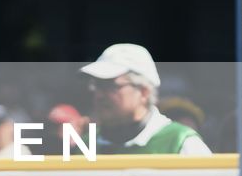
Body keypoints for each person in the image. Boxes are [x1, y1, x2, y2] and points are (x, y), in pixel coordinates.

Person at [80, 43, 210, 156]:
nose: (99, 95)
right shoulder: (85, 146)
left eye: (111, 86)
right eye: (97, 86)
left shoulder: (181, 143)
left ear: (143, 92)